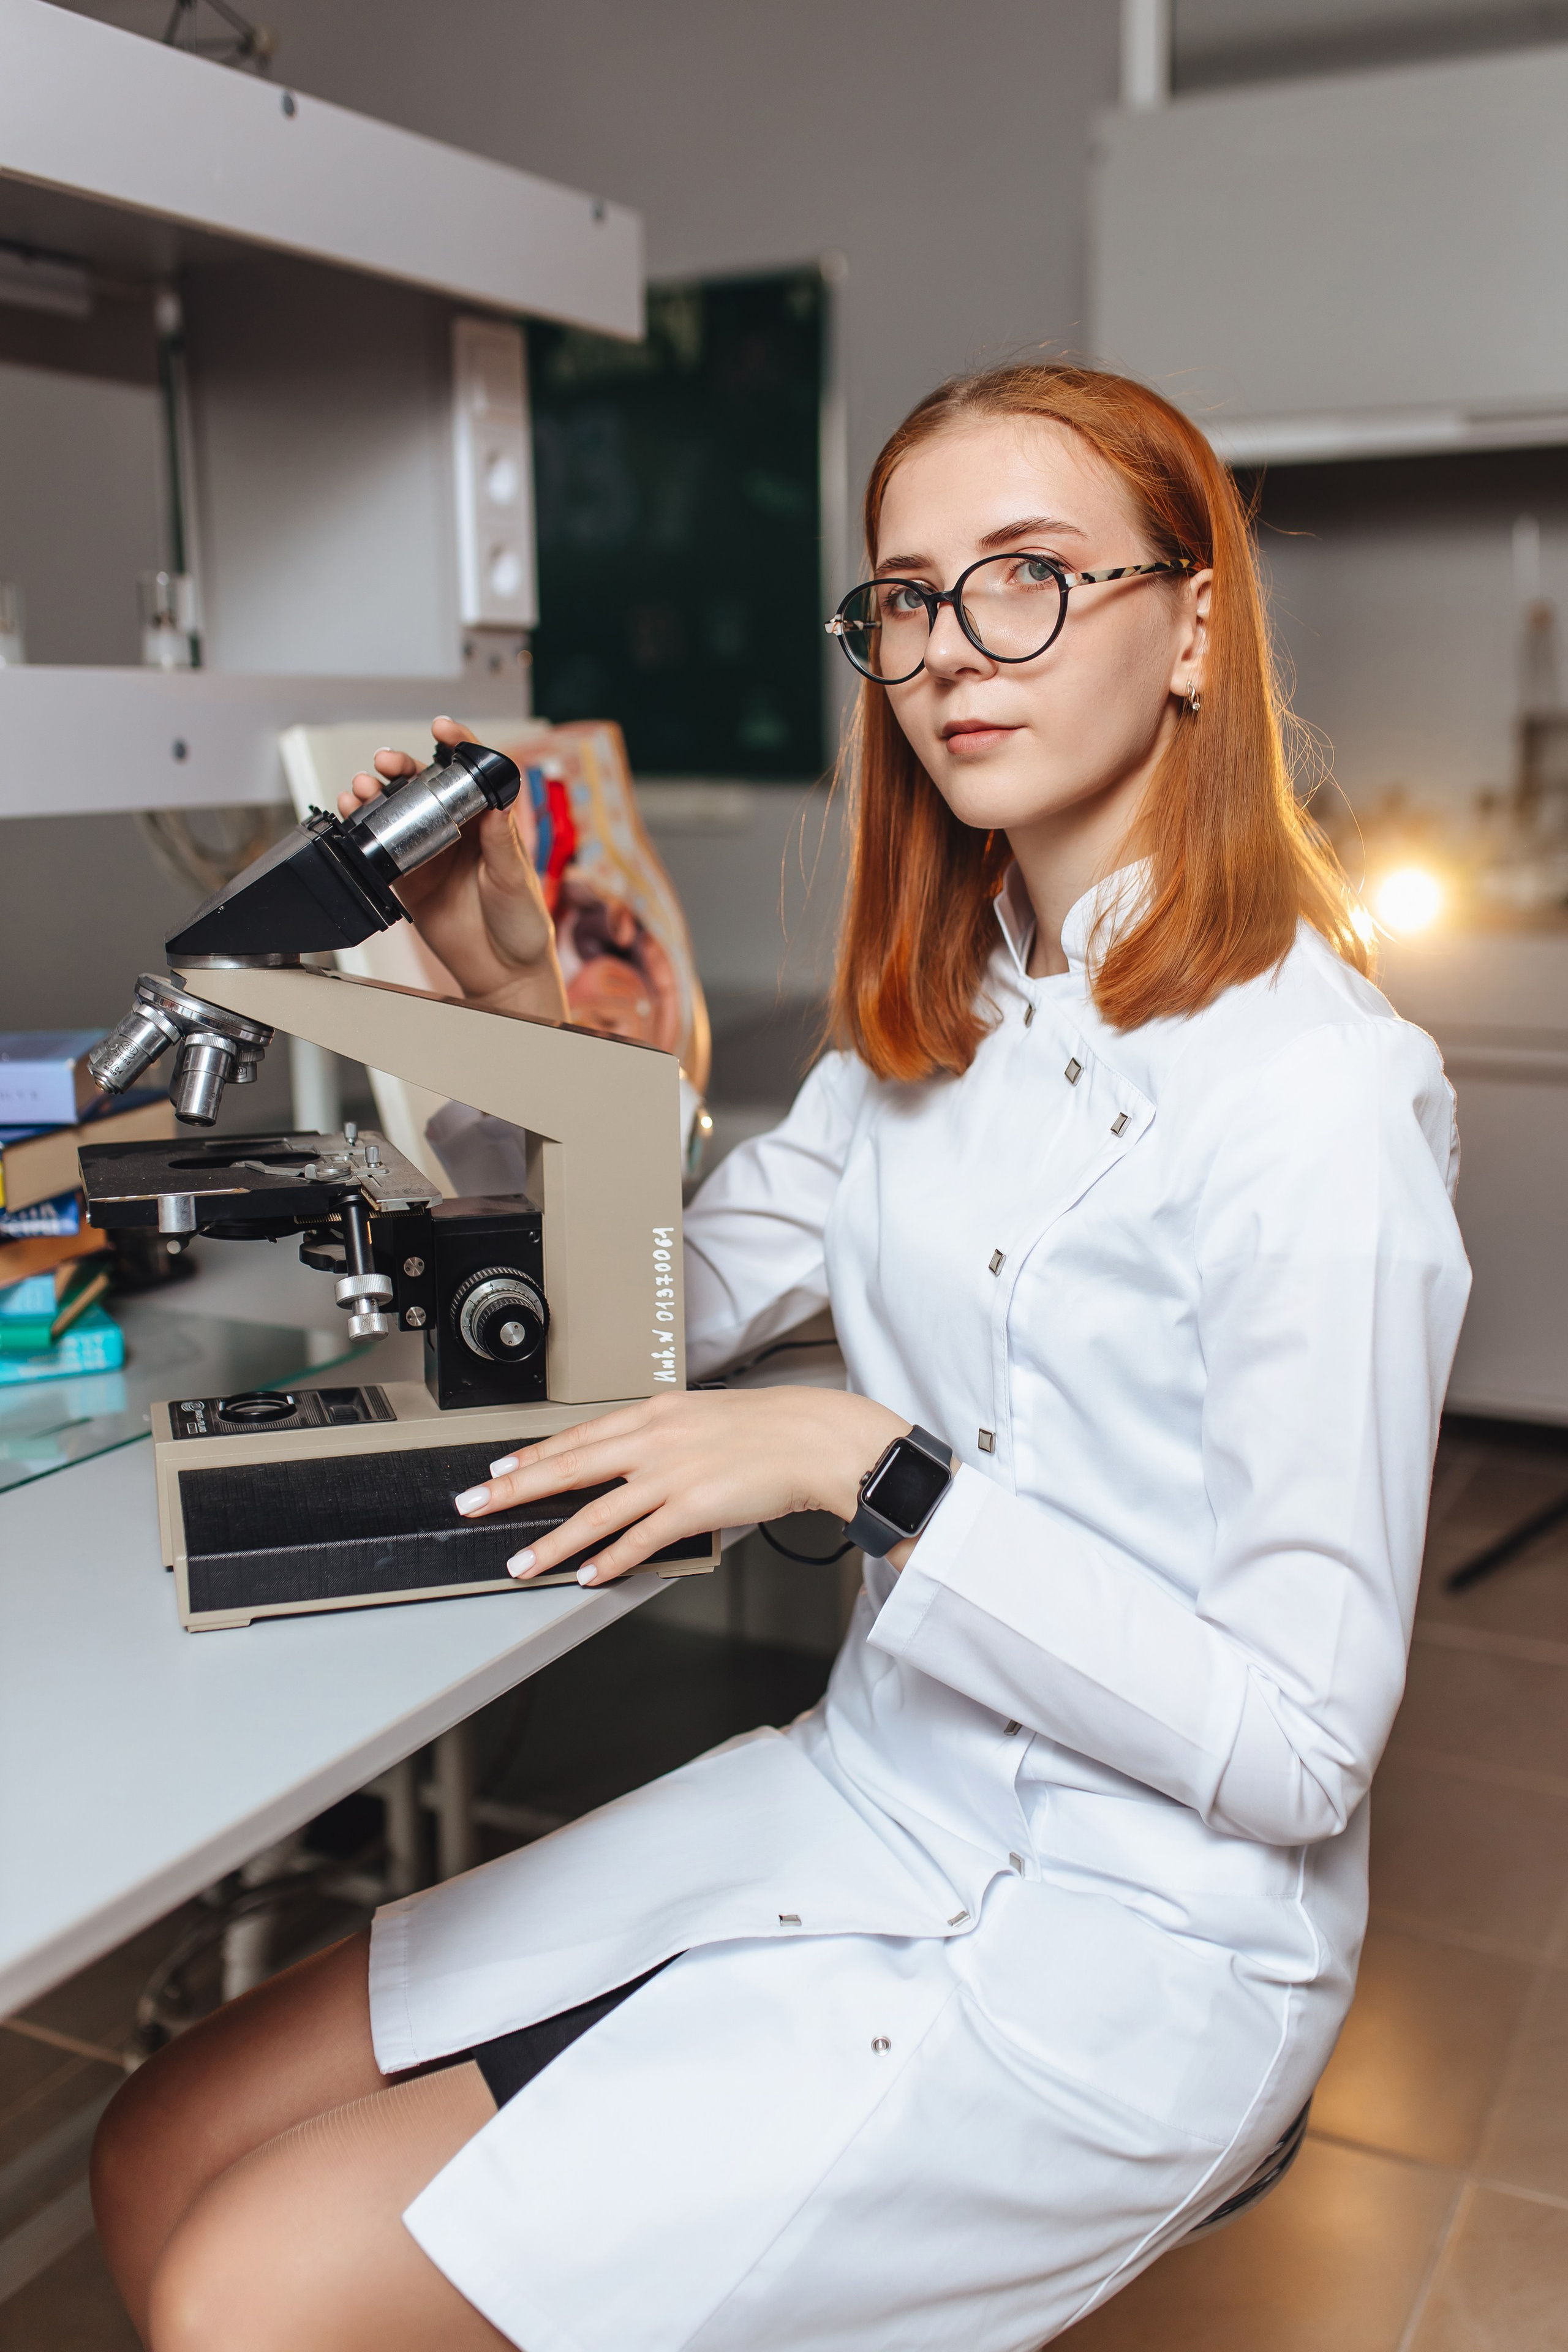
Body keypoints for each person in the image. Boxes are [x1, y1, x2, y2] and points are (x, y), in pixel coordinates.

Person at [91, 363, 1470, 2352]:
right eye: (909, 597)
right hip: (868, 1803)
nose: (952, 650)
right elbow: (623, 1321)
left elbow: (1306, 1746)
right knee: (160, 2143)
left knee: (245, 2290)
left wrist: (874, 1469)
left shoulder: (1318, 1099)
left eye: (1030, 578)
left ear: (1193, 627)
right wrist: (505, 1009)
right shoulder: (934, 1032)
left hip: (1131, 1958)